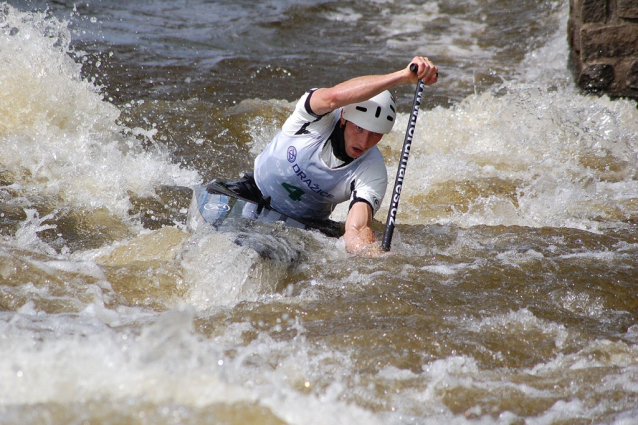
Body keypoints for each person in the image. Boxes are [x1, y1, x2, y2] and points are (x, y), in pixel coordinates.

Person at [253, 56, 438, 253]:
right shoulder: (315, 119)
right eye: (359, 129)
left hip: (306, 228)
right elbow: (333, 96)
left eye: (375, 134)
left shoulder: (372, 170)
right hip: (252, 194)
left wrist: (369, 256)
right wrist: (402, 77)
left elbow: (356, 228)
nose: (364, 142)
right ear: (343, 118)